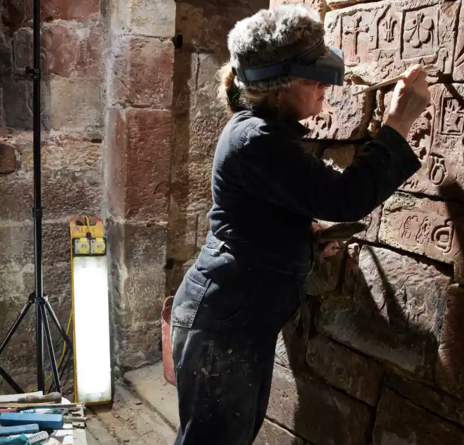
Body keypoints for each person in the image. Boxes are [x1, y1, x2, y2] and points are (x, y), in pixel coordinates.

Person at [169, 4, 430, 445]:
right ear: (278, 88)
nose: (324, 90)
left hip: (237, 317)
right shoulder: (257, 140)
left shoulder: (260, 132)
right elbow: (346, 197)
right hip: (224, 323)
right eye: (314, 80)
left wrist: (304, 238)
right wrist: (398, 121)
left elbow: (256, 215)